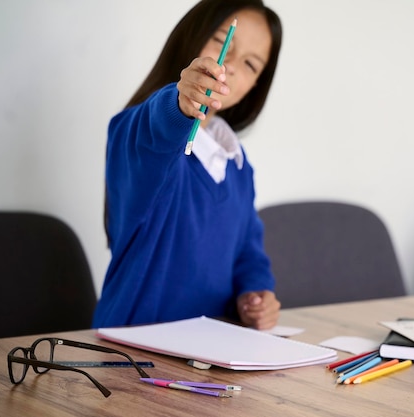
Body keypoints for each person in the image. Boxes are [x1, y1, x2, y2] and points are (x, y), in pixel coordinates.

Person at [92, 0, 282, 330]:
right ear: (190, 37)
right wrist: (180, 103)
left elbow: (247, 252)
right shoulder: (135, 133)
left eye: (251, 65)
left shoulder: (237, 165)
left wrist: (255, 295)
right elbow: (154, 133)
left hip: (209, 355)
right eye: (223, 43)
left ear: (256, 86)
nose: (232, 66)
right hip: (131, 355)